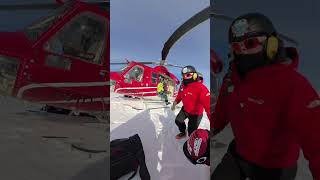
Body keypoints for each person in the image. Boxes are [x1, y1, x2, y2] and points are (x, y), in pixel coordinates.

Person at [211, 13, 320, 180]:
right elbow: (221, 114)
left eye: (250, 43)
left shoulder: (293, 85)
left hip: (275, 167)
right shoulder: (232, 80)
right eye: (237, 47)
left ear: (272, 44)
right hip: (240, 155)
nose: (243, 52)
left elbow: (316, 139)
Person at [171, 65, 210, 139]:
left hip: (196, 114)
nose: (185, 78)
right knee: (178, 121)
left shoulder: (201, 88)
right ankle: (183, 132)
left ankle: (192, 143)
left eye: (188, 75)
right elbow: (179, 95)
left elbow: (208, 106)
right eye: (183, 76)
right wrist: (175, 102)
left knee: (191, 132)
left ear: (195, 75)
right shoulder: (182, 86)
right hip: (185, 109)